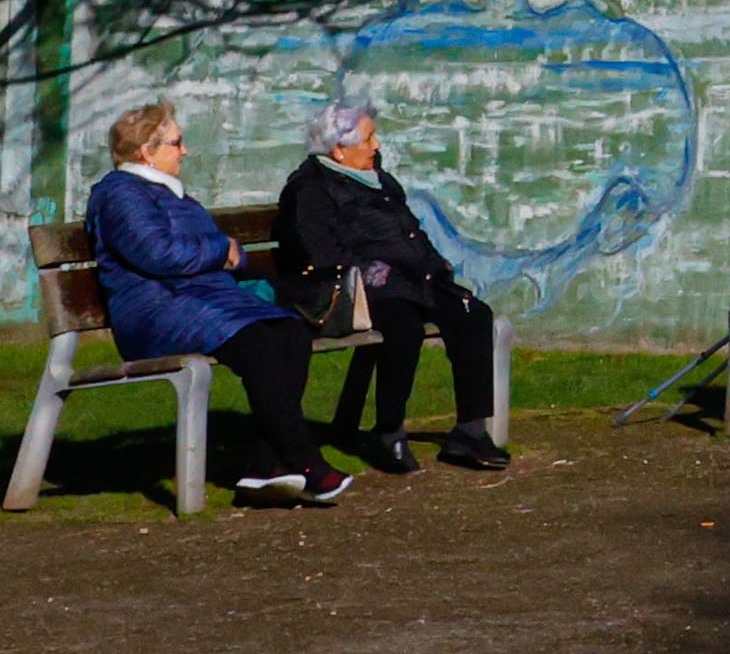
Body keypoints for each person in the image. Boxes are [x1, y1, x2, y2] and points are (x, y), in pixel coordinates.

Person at [86, 101, 351, 505]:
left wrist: (226, 251)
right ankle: (307, 462)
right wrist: (218, 249)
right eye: (176, 143)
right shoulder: (120, 194)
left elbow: (227, 253)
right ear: (145, 151)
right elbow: (159, 254)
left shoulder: (171, 194)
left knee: (290, 332)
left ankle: (265, 468)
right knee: (258, 345)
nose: (185, 150)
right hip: (155, 314)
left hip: (195, 303)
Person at [277, 97, 511, 474]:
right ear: (339, 150)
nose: (377, 145)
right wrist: (375, 271)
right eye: (368, 139)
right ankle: (388, 431)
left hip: (413, 279)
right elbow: (318, 252)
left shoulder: (378, 179)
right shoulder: (310, 189)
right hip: (365, 290)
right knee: (402, 329)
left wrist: (436, 266)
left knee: (472, 314)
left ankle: (469, 431)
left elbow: (409, 234)